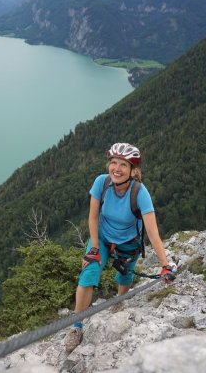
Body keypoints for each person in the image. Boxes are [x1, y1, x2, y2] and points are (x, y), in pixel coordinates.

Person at [64, 142, 176, 354]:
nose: (116, 168)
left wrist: (165, 264)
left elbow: (152, 232)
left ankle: (119, 300)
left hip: (129, 243)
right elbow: (93, 216)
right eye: (113, 163)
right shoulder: (101, 183)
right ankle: (76, 326)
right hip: (103, 238)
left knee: (124, 277)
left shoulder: (140, 193)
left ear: (133, 171)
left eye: (123, 165)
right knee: (88, 274)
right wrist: (94, 247)